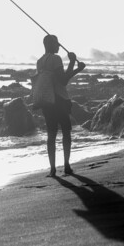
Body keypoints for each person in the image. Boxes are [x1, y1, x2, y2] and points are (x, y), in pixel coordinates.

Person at [36, 34, 86, 177]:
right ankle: (66, 166)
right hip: (59, 100)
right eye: (57, 43)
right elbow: (63, 81)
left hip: (47, 101)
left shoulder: (39, 61)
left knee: (51, 134)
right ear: (51, 45)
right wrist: (73, 64)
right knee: (66, 132)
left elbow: (54, 79)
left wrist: (76, 69)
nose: (59, 46)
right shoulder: (56, 59)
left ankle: (52, 169)